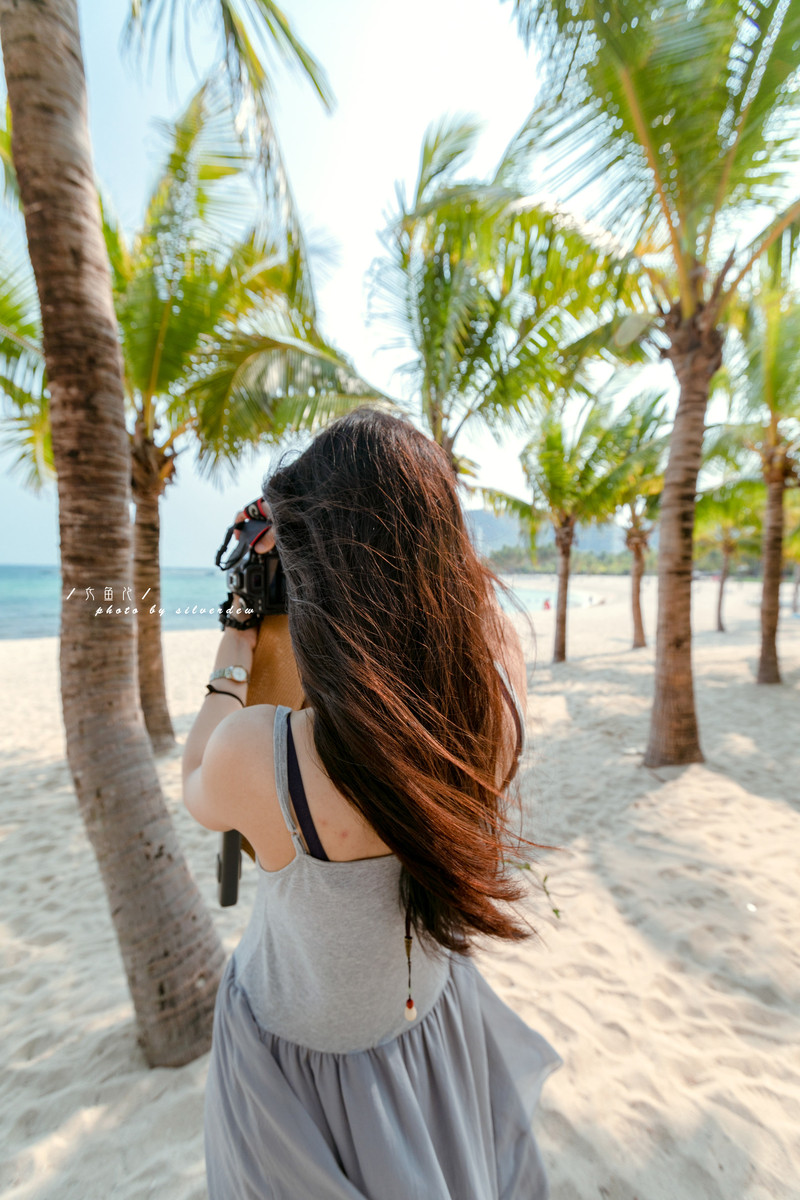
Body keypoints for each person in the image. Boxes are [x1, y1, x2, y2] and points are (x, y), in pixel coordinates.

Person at [182, 409, 560, 1200]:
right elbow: (464, 613)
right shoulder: (495, 698)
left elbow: (197, 790)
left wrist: (238, 630)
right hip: (433, 1035)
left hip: (294, 1070)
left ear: (323, 574)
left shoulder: (269, 753)